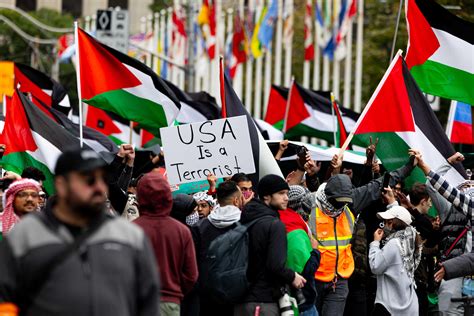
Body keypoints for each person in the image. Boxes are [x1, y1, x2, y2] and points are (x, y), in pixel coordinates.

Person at [0, 147, 160, 315]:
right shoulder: (25, 234)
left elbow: (148, 299)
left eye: (102, 179)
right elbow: (5, 296)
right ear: (62, 185)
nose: (99, 187)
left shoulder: (130, 236)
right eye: (89, 180)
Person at [234, 174, 306, 316]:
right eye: (281, 193)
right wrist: (293, 276)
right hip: (263, 302)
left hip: (241, 301)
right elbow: (275, 265)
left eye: (286, 193)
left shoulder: (245, 218)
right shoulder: (274, 225)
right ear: (266, 196)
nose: (286, 198)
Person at [412, 149, 473, 315]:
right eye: (466, 188)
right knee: (447, 312)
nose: (469, 191)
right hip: (451, 271)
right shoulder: (448, 209)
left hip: (470, 271)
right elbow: (431, 185)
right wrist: (449, 162)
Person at [134, 172, 198, 316]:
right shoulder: (181, 231)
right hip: (170, 303)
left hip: (138, 301)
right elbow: (191, 275)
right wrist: (175, 292)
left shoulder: (130, 230)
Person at [192, 180, 243, 316]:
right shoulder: (246, 224)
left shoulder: (200, 227)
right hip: (239, 294)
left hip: (208, 293)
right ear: (237, 201)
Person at [369, 203, 422, 315]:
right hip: (409, 305)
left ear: (394, 223)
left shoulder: (394, 243)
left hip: (390, 306)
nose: (385, 225)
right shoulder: (410, 242)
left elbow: (375, 266)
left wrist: (375, 243)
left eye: (388, 222)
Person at [280, 185, 321, 316]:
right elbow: (306, 271)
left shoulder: (280, 219)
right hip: (301, 302)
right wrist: (315, 251)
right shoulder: (296, 231)